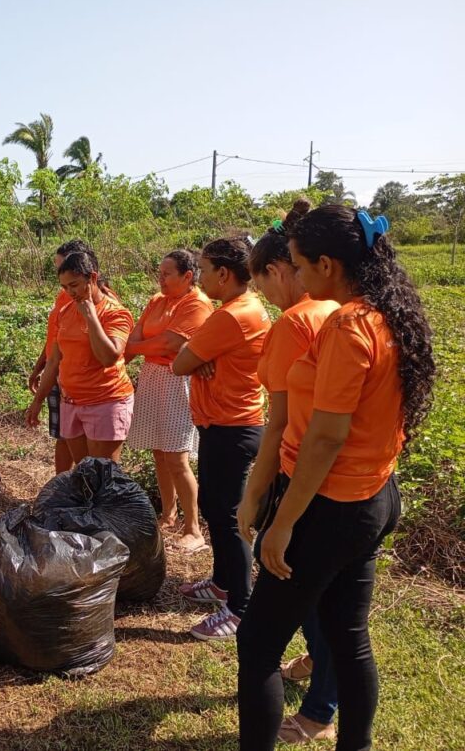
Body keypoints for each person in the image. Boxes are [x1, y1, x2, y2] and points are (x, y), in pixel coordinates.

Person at [236, 205, 435, 751]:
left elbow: (326, 438)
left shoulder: (349, 325)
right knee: (348, 637)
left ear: (327, 264)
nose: (295, 277)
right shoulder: (387, 313)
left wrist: (284, 525)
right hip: (374, 496)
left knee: (257, 644)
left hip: (330, 504)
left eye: (298, 266)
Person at [237, 200, 341, 744]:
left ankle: (321, 706)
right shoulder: (339, 311)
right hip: (344, 482)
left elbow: (276, 427)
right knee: (330, 596)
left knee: (288, 589)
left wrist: (252, 499)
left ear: (279, 270)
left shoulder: (294, 323)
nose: (269, 296)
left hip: (301, 475)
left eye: (268, 282)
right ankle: (323, 677)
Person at [172, 236, 270, 641]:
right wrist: (200, 358)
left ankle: (241, 608)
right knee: (215, 507)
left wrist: (198, 358)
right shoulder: (236, 309)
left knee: (229, 518)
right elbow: (191, 357)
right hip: (223, 423)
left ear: (224, 275)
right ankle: (222, 583)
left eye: (205, 269)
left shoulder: (231, 316)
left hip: (233, 427)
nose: (201, 277)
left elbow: (180, 362)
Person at [126, 249, 213, 551]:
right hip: (153, 378)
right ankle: (168, 515)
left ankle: (193, 528)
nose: (159, 279)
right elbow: (134, 338)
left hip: (179, 382)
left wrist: (142, 347)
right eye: (159, 273)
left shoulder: (197, 303)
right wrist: (148, 348)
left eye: (166, 274)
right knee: (160, 452)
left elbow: (171, 343)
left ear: (187, 276)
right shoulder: (156, 301)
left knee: (177, 456)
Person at [25, 251, 135, 464]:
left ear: (92, 278)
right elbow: (55, 360)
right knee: (83, 472)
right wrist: (38, 400)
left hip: (106, 402)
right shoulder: (65, 312)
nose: (69, 292)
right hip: (71, 402)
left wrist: (91, 317)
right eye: (64, 287)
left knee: (103, 477)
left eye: (74, 285)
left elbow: (109, 357)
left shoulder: (115, 313)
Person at [28, 239, 105, 474]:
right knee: (63, 435)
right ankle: (62, 487)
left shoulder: (103, 303)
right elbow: (55, 341)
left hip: (90, 390)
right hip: (60, 375)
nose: (67, 288)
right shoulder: (66, 300)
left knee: (95, 459)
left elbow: (112, 352)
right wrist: (39, 366)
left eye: (63, 265)